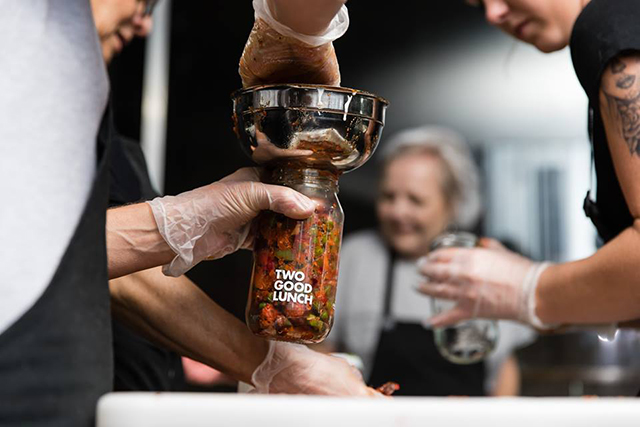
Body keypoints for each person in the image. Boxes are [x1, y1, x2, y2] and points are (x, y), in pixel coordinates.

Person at [0, 1, 378, 425]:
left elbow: (59, 247)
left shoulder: (89, 123)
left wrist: (177, 224)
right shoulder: (19, 70)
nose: (144, 22)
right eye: (143, 1)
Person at [418, 0, 640, 354]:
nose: (493, 14)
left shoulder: (606, 28)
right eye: (479, 6)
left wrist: (527, 288)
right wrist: (524, 293)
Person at [329, 126, 535, 396]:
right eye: (388, 197)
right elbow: (323, 353)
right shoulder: (354, 257)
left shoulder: (485, 265)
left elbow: (503, 369)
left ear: (453, 204)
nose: (398, 211)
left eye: (415, 200)